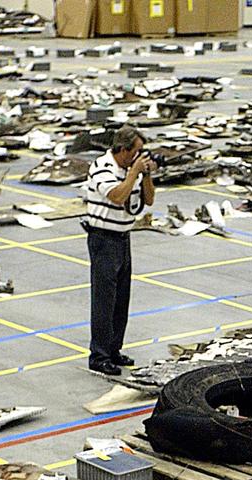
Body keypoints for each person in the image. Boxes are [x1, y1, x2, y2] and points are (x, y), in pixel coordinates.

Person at [84, 125, 156, 376]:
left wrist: (146, 175)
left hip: (123, 238)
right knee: (104, 301)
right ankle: (99, 356)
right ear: (123, 150)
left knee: (120, 299)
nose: (139, 156)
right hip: (103, 240)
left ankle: (113, 349)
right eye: (136, 151)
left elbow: (149, 200)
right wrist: (134, 173)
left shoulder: (130, 170)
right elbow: (116, 196)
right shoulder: (102, 167)